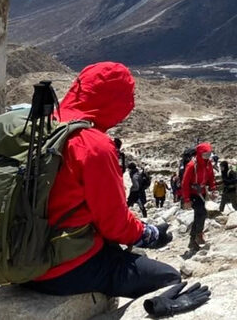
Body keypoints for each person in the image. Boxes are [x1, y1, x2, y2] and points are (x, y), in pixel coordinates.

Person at [26, 61, 180, 299]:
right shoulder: (93, 146)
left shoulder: (36, 124)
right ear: (114, 101)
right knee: (168, 279)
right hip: (61, 268)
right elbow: (114, 224)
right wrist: (148, 235)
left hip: (17, 254)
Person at [182, 142, 217, 251]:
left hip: (201, 192)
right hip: (193, 193)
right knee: (200, 213)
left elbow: (211, 176)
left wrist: (213, 188)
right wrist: (186, 199)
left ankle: (196, 236)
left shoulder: (208, 163)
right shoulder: (192, 165)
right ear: (200, 154)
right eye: (205, 154)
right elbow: (185, 183)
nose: (207, 156)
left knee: (201, 214)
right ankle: (195, 237)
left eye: (208, 154)